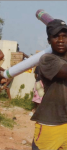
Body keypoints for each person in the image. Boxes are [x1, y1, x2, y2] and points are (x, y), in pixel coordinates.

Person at [31, 19, 67, 150]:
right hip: (50, 124)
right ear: (48, 40)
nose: (61, 40)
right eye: (56, 36)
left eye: (64, 36)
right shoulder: (47, 59)